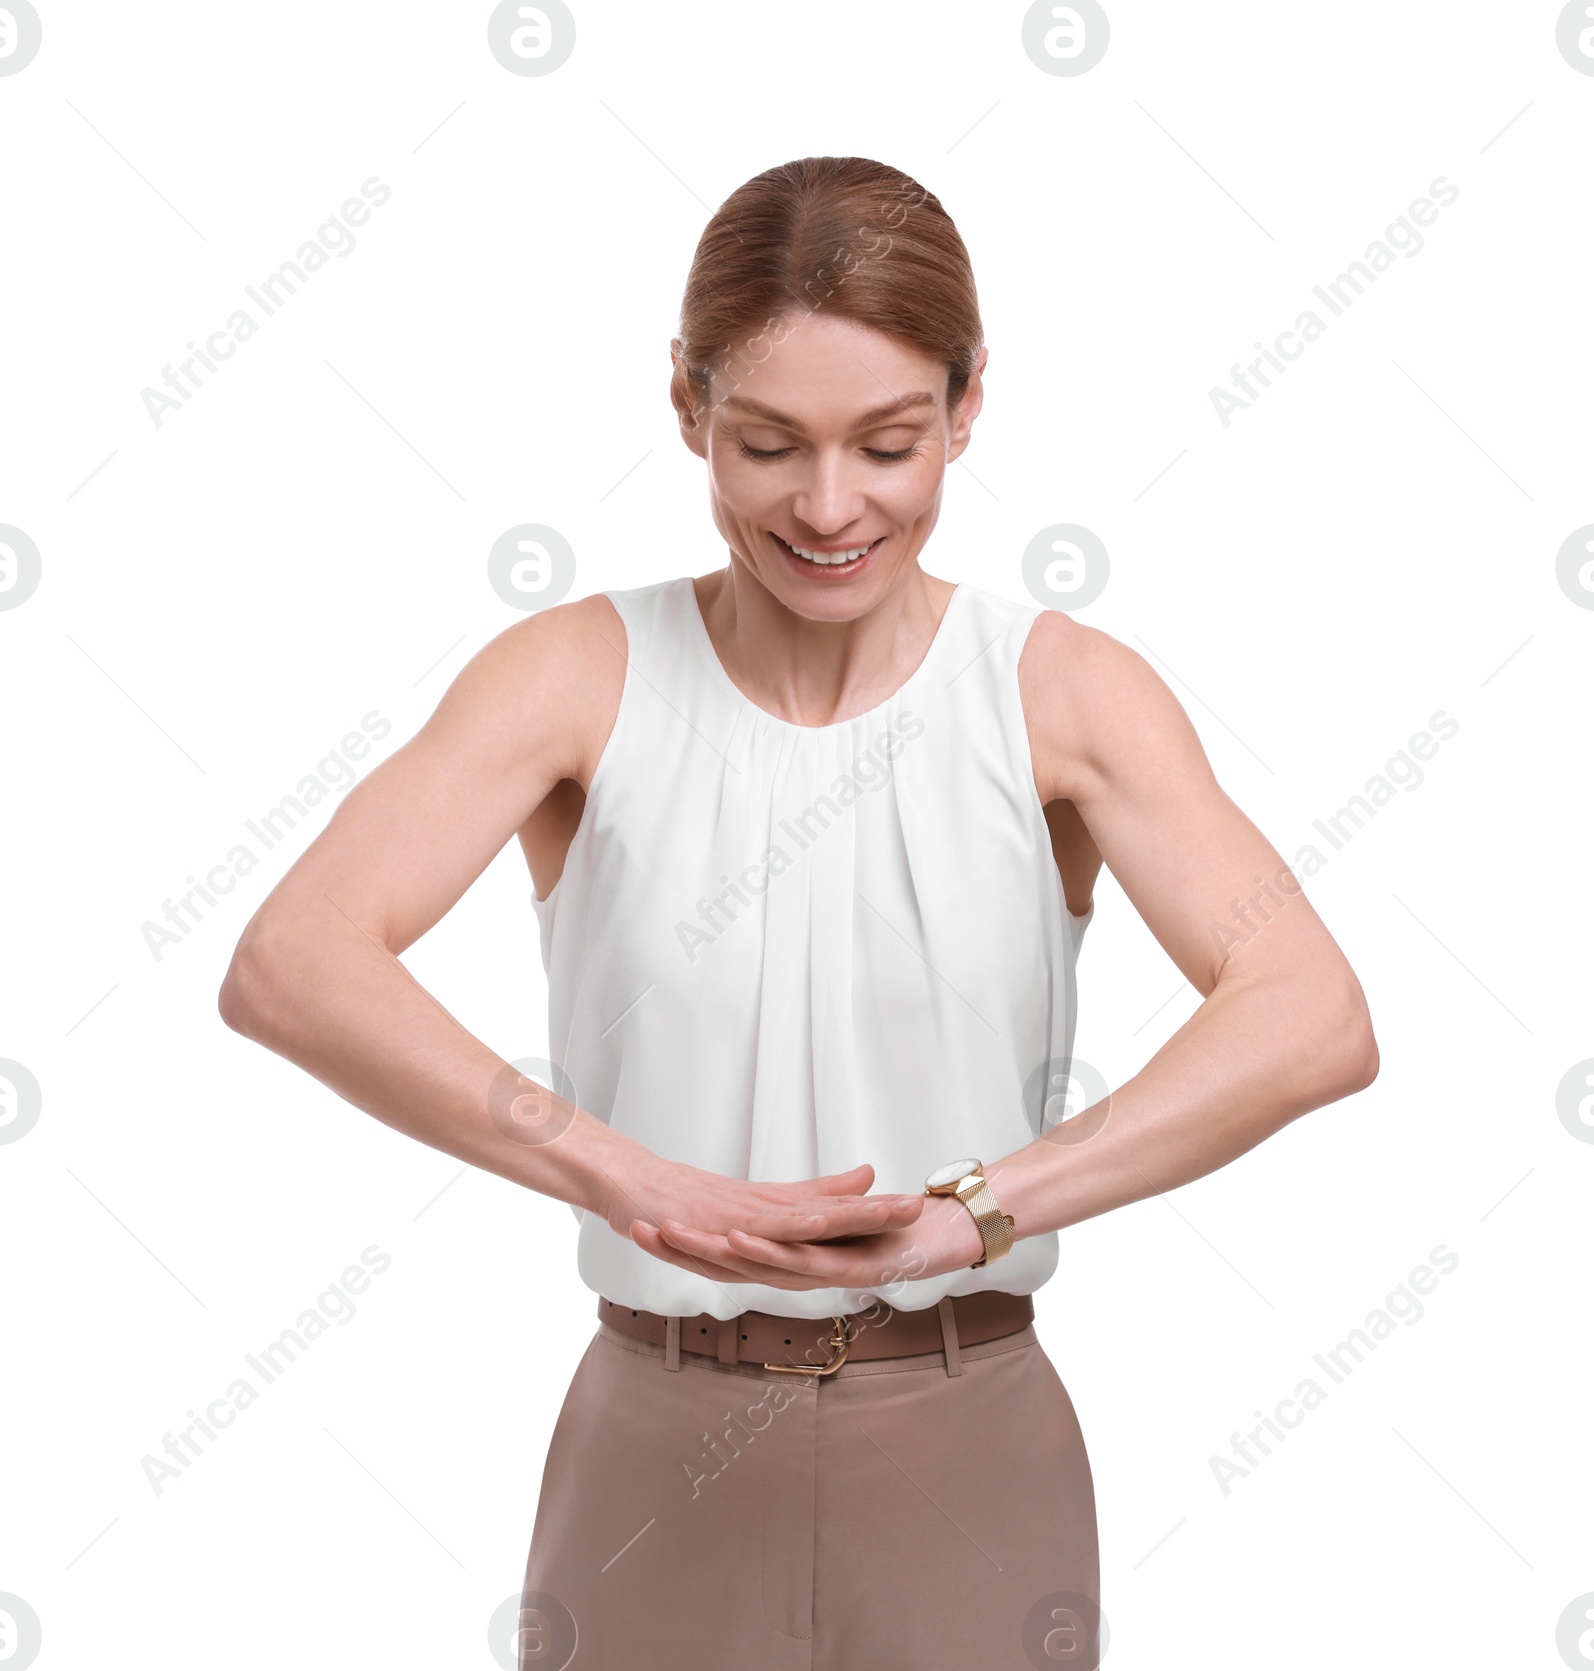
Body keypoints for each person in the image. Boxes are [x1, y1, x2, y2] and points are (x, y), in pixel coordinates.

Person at [218, 155, 1379, 1669]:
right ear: (689, 409)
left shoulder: (1064, 693)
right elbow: (292, 961)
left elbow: (1311, 1015)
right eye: (769, 445)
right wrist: (623, 1177)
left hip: (969, 1430)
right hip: (653, 1433)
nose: (830, 508)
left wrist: (978, 1211)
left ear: (967, 411)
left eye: (889, 444)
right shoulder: (572, 675)